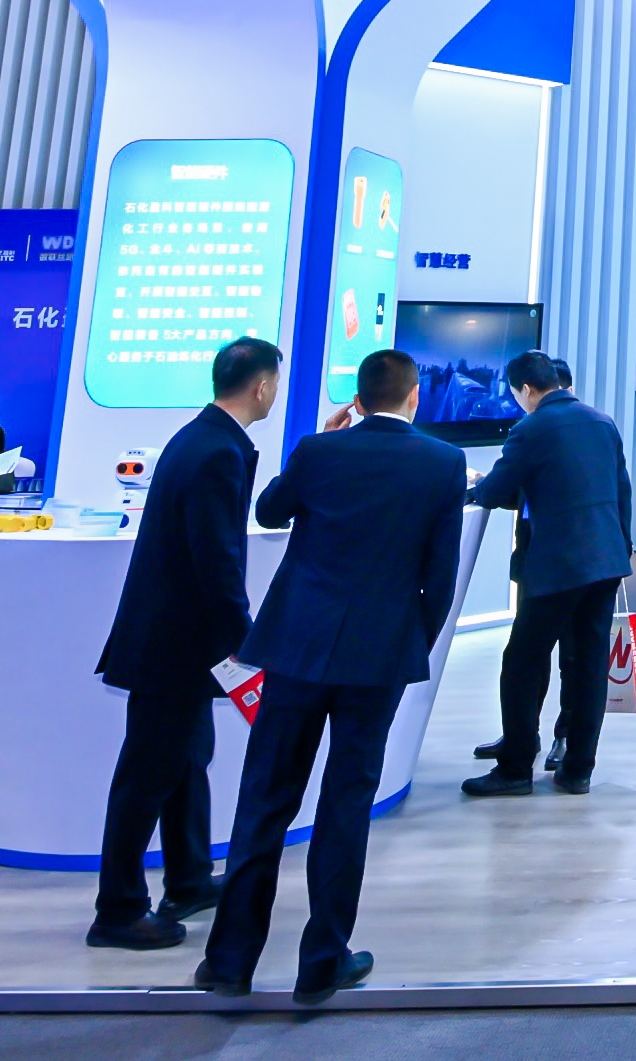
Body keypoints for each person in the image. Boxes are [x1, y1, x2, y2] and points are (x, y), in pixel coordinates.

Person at [197, 349, 463, 1005]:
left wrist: (319, 439)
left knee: (265, 797)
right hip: (378, 658)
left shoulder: (318, 450)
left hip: (298, 646)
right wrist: (412, 646)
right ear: (414, 397)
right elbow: (440, 576)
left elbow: (269, 511)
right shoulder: (442, 462)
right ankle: (322, 961)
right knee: (346, 804)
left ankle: (229, 961)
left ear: (359, 401)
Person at [89, 337, 280, 950]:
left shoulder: (201, 437)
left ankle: (190, 878)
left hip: (178, 643)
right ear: (262, 387)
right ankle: (118, 909)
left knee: (188, 760)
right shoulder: (219, 450)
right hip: (173, 645)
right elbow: (216, 560)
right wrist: (245, 640)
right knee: (146, 775)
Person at [462, 351, 632, 796]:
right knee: (589, 666)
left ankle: (516, 768)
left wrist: (476, 485)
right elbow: (622, 493)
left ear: (525, 389)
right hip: (605, 562)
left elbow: (496, 490)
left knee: (521, 661)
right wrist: (621, 552)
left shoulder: (531, 428)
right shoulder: (602, 422)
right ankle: (578, 770)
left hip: (557, 566)